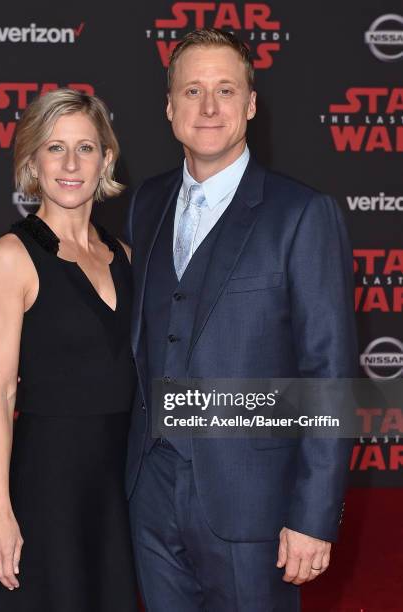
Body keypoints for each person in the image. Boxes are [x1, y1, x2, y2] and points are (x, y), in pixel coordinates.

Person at [126, 29, 357, 611]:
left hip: (255, 507)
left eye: (226, 90)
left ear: (251, 105)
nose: (209, 107)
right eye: (193, 90)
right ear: (169, 106)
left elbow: (328, 373)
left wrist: (314, 514)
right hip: (150, 494)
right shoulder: (144, 203)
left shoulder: (302, 214)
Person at [0, 89, 138, 611]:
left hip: (118, 490)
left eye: (85, 148)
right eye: (54, 148)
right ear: (31, 160)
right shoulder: (10, 257)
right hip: (46, 488)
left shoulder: (126, 257)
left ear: (105, 159)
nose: (70, 164)